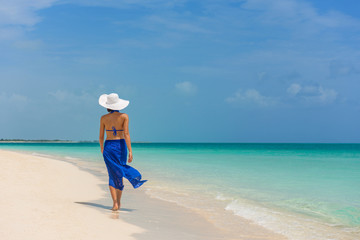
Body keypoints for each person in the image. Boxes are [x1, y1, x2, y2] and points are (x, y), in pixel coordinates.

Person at [98, 93, 147, 211]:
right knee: (119, 173)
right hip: (120, 146)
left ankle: (114, 203)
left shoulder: (103, 118)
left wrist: (102, 148)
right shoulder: (124, 116)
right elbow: (126, 134)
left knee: (112, 174)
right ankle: (118, 202)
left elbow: (101, 136)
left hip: (108, 146)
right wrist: (130, 150)